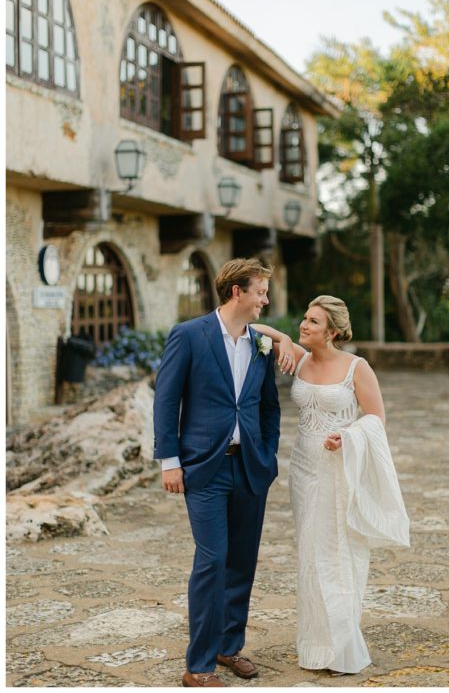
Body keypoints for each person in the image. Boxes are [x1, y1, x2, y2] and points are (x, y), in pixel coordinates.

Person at [253, 295, 409, 674]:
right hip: (303, 467)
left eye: (313, 322)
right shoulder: (299, 358)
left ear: (333, 331)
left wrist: (347, 436)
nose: (304, 325)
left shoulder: (357, 367)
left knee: (337, 551)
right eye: (304, 319)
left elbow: (376, 419)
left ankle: (342, 646)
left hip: (338, 465)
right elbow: (250, 328)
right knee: (309, 553)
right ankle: (315, 646)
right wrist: (284, 340)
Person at [153, 258, 280, 688]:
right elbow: (166, 401)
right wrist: (170, 461)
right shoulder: (188, 336)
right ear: (237, 293)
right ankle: (199, 665)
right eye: (260, 291)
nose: (266, 299)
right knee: (212, 561)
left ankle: (229, 647)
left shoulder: (261, 343)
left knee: (242, 562)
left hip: (250, 468)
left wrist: (268, 453)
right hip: (203, 468)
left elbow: (268, 407)